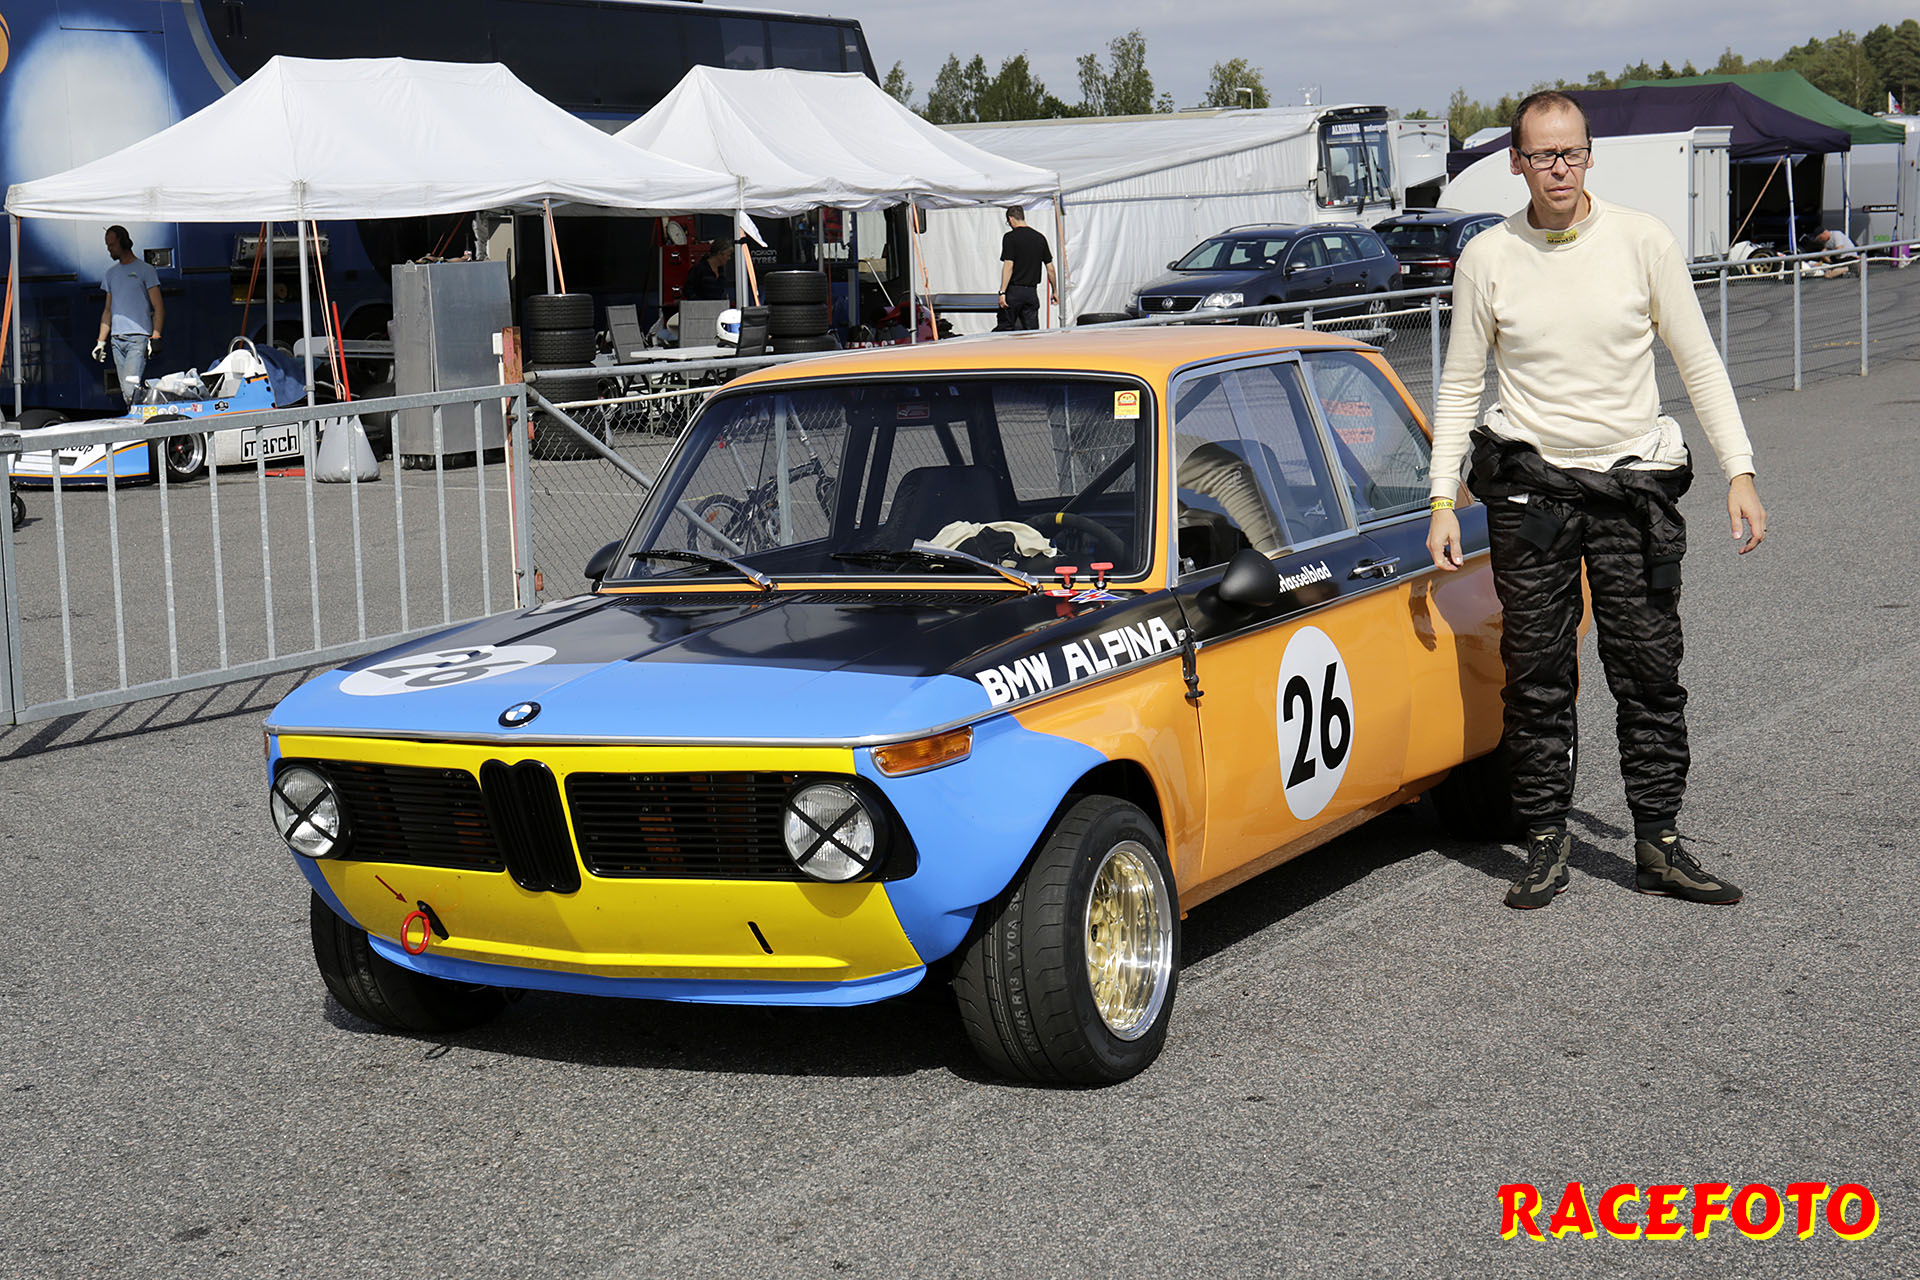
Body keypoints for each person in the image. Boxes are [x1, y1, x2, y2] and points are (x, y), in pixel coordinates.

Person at [1425, 91, 1768, 911]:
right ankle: (1545, 840)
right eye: (1543, 155)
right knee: (1536, 676)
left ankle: (1659, 844)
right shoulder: (1488, 257)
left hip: (1631, 489)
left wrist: (1740, 470)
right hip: (1531, 494)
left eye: (1572, 152)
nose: (1560, 169)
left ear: (1589, 155)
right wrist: (1441, 497)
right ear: (1516, 162)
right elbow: (1462, 384)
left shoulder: (1642, 241)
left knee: (1649, 673)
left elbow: (1699, 361)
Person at [93, 225, 163, 407]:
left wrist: (155, 336)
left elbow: (158, 306)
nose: (109, 249)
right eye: (107, 245)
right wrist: (101, 341)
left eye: (112, 245)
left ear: (123, 242)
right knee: (127, 391)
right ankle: (141, 416)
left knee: (131, 389)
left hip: (137, 339)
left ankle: (145, 415)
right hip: (116, 341)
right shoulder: (110, 274)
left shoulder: (146, 270)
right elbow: (107, 310)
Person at [997, 207, 1055, 331]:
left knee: (1005, 329)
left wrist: (1002, 292)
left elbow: (1009, 265)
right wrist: (1054, 291)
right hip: (1031, 292)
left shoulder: (1010, 237)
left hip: (1014, 291)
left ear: (1010, 219)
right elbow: (1050, 268)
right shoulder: (1040, 238)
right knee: (1031, 332)